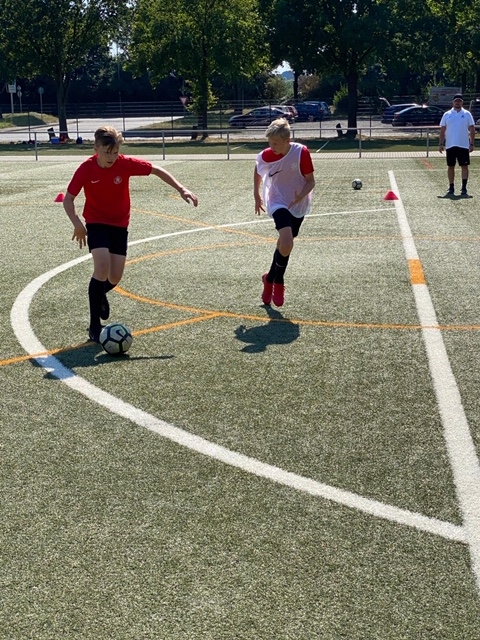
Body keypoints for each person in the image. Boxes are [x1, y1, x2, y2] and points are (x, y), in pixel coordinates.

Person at [63, 125, 198, 343]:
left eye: (115, 152)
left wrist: (181, 188)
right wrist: (77, 223)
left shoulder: (124, 164)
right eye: (107, 152)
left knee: (115, 277)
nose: (112, 157)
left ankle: (100, 294)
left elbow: (156, 170)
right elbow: (68, 199)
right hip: (96, 222)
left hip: (119, 224)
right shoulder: (86, 169)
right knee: (101, 268)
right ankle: (94, 327)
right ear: (96, 148)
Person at [254, 118, 315, 307]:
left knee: (284, 245)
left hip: (297, 204)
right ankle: (279, 282)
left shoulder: (301, 153)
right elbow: (258, 169)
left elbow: (311, 181)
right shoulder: (267, 155)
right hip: (277, 201)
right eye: (270, 143)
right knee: (287, 241)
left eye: (275, 143)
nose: (271, 147)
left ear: (288, 140)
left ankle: (269, 278)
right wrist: (256, 194)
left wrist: (300, 196)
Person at [439, 94, 475, 196]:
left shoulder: (467, 114)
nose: (457, 103)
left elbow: (472, 128)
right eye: (456, 101)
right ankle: (451, 187)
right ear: (453, 102)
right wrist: (441, 143)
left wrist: (472, 143)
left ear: (462, 102)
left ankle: (464, 188)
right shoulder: (447, 114)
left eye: (459, 101)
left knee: (464, 166)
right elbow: (442, 130)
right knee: (451, 166)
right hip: (450, 145)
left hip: (463, 145)